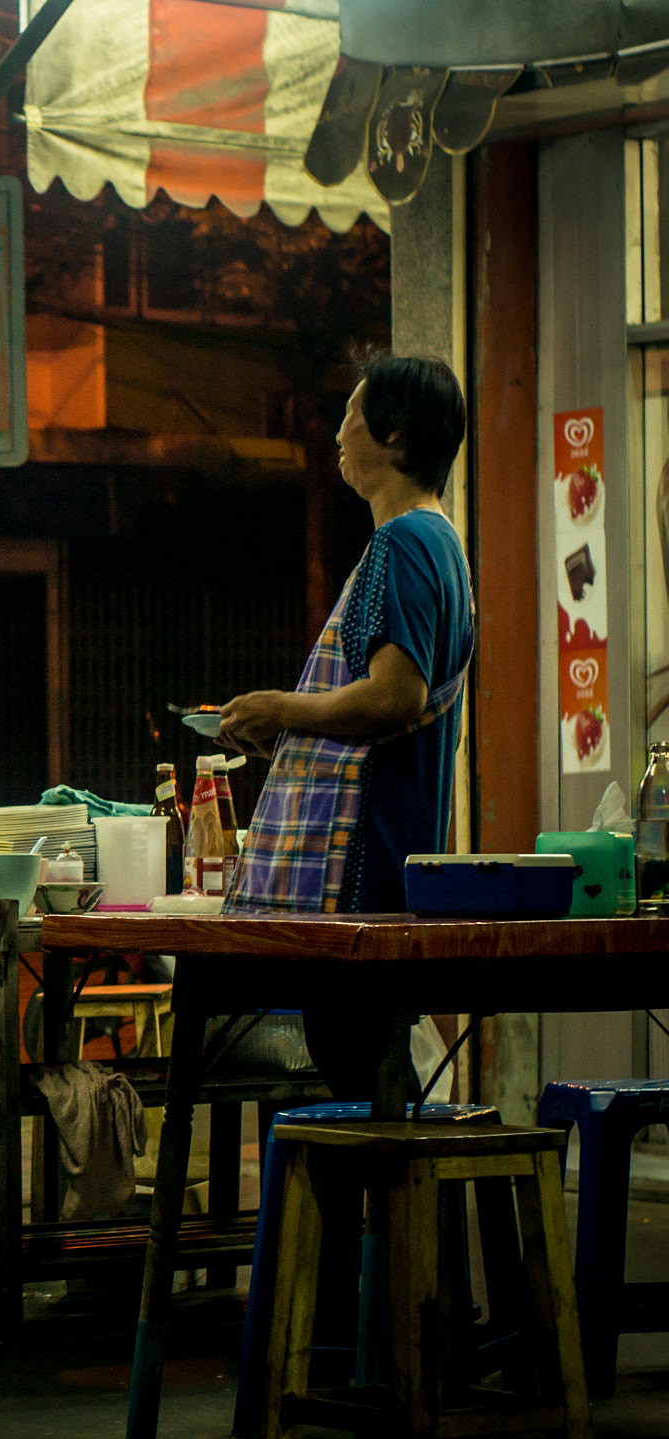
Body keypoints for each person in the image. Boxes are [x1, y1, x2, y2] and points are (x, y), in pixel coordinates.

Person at [218, 355, 474, 1094]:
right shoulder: (438, 543)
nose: (338, 431)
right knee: (370, 1091)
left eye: (352, 414)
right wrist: (295, 728)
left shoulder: (406, 543)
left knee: (362, 1098)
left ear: (391, 433)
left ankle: (376, 1217)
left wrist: (285, 708)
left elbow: (395, 696)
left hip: (364, 877)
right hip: (388, 873)